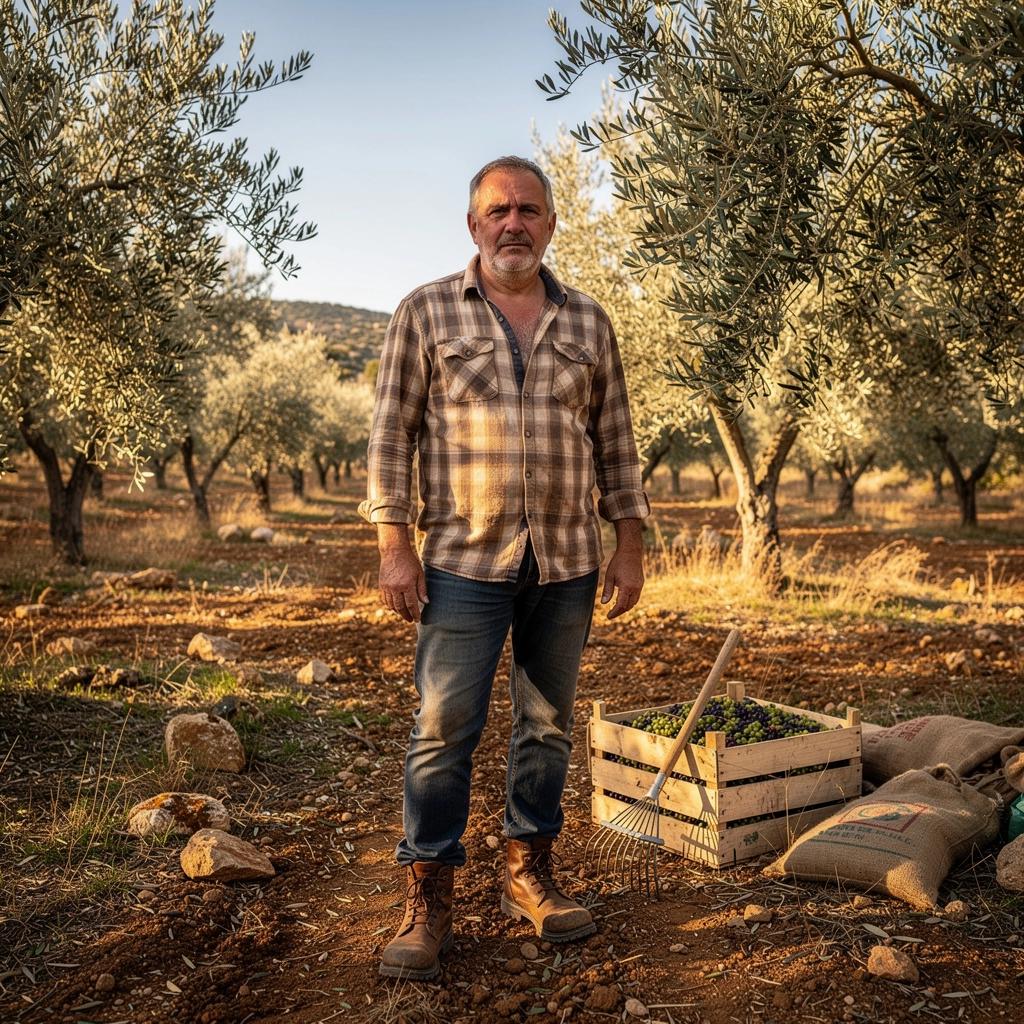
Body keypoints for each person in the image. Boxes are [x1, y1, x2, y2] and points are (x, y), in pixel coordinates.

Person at [359, 155, 650, 981]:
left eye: (528, 209)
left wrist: (629, 542)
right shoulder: (424, 312)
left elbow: (617, 441)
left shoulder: (589, 322)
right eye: (498, 210)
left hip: (565, 560)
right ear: (473, 224)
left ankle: (528, 872)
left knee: (550, 722)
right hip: (461, 559)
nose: (513, 223)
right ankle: (429, 893)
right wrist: (393, 544)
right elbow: (391, 436)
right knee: (443, 729)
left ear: (551, 224)